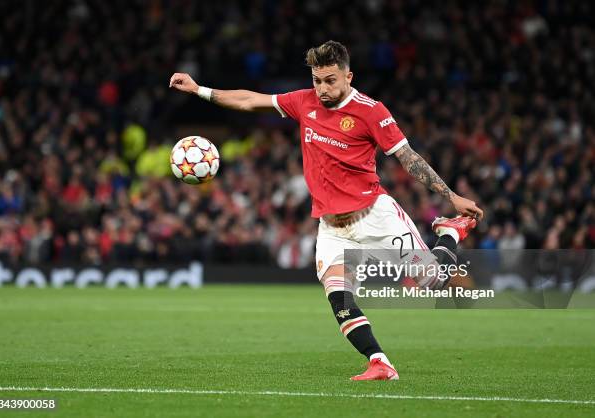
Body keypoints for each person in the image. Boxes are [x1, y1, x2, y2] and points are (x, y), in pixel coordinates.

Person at [170, 40, 484, 381]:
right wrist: (198, 89)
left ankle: (451, 230)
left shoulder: (371, 111)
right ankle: (379, 362)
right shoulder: (303, 101)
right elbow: (249, 100)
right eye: (317, 80)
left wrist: (451, 196)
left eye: (330, 80)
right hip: (332, 226)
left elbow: (409, 159)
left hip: (374, 215)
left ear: (348, 76)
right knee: (339, 296)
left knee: (432, 282)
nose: (321, 88)